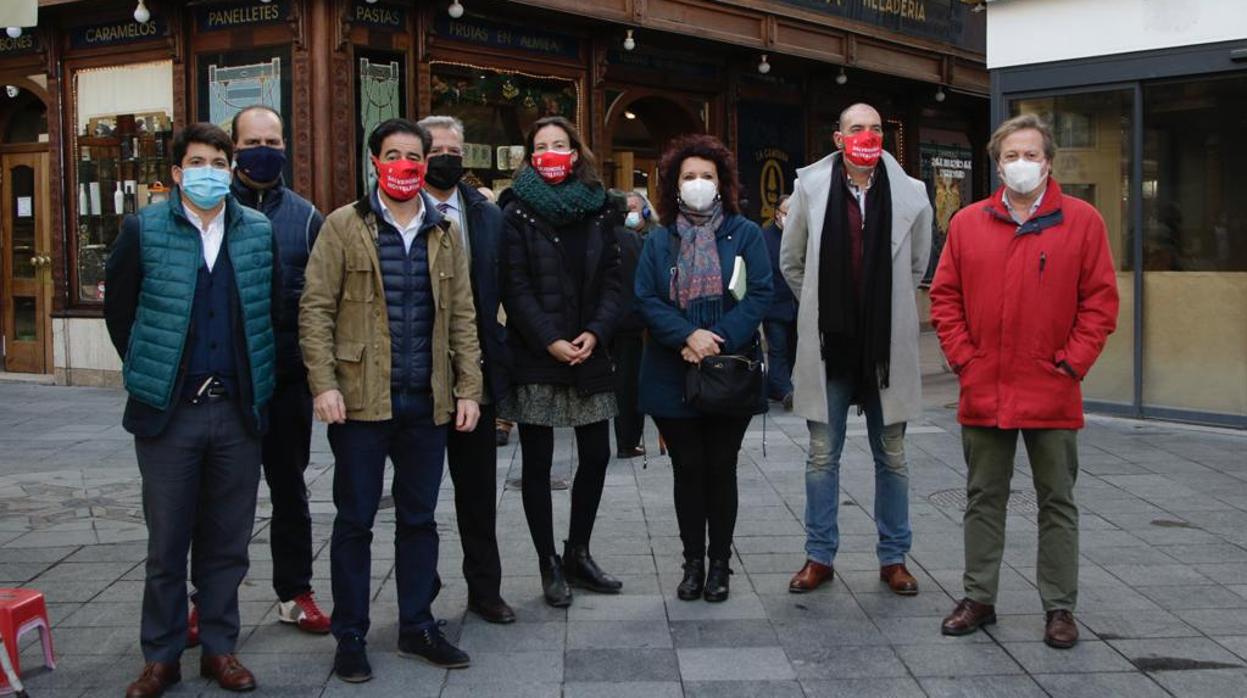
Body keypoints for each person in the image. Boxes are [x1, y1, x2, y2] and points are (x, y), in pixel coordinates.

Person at [300, 118, 483, 681]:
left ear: (426, 165)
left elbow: (462, 317)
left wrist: (468, 387)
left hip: (425, 402)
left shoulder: (444, 231)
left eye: (414, 156)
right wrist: (323, 383)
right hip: (359, 403)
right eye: (393, 155)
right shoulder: (342, 226)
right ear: (375, 163)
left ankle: (415, 626)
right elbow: (315, 310)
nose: (405, 164)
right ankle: (350, 634)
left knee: (420, 519)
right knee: (354, 520)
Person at [930, 114, 1118, 649]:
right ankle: (978, 596)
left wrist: (1070, 363)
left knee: (1056, 501)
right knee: (982, 497)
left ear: (1049, 161)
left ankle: (1060, 607)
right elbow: (944, 297)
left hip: (1051, 388)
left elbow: (1100, 302)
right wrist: (965, 359)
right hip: (984, 387)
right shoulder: (967, 223)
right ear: (997, 164)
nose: (1021, 165)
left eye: (1030, 155)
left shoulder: (1081, 222)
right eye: (1011, 156)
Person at [105, 122, 280, 697]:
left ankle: (220, 649)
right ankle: (160, 656)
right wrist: (147, 370)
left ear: (231, 170)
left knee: (227, 541)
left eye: (218, 161)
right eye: (197, 162)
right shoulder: (144, 228)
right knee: (166, 544)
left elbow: (269, 311)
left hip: (235, 411)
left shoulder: (256, 230)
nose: (209, 171)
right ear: (178, 173)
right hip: (170, 413)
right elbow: (120, 313)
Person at [780, 103, 932, 597]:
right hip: (832, 347)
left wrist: (879, 308)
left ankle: (894, 559)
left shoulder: (914, 195)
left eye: (875, 128)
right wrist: (827, 306)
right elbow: (792, 263)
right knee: (822, 457)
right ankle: (819, 556)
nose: (867, 135)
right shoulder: (810, 189)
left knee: (893, 457)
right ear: (838, 137)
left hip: (885, 349)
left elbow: (915, 267)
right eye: (856, 128)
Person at [635, 134, 773, 602]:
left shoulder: (746, 234)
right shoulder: (659, 240)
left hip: (727, 370)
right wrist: (685, 336)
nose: (698, 184)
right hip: (671, 371)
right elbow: (646, 298)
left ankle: (720, 565)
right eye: (689, 176)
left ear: (722, 184)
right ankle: (692, 562)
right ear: (675, 185)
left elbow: (760, 293)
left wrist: (716, 339)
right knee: (687, 469)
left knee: (721, 467)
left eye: (706, 177)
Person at [498, 115, 624, 608]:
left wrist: (596, 331)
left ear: (575, 152)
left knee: (596, 455)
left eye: (560, 144)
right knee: (538, 462)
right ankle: (547, 562)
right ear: (530, 156)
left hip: (591, 350)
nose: (551, 152)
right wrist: (549, 338)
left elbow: (615, 278)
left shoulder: (600, 207)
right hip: (537, 353)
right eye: (541, 146)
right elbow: (515, 284)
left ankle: (578, 551)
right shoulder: (516, 211)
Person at [223, 104, 329, 635]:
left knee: (290, 490)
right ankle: (211, 601)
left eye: (274, 139)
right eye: (253, 141)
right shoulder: (213, 211)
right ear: (233, 147)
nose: (264, 150)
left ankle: (295, 592)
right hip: (227, 382)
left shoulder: (307, 217)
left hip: (287, 380)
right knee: (222, 496)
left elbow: (321, 301)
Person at [415, 114, 515, 624]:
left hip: (475, 374)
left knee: (478, 494)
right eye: (436, 150)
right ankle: (421, 592)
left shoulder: (485, 214)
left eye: (456, 149)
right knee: (419, 497)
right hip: (416, 378)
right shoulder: (396, 212)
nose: (448, 158)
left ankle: (485, 589)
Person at [611, 189, 646, 459]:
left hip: (600, 322)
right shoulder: (633, 240)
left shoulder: (595, 238)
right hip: (630, 320)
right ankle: (628, 440)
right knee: (628, 383)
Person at [763, 194, 797, 409]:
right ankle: (785, 391)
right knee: (778, 349)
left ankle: (773, 387)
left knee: (792, 349)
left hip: (796, 306)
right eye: (787, 213)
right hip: (774, 306)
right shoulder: (765, 238)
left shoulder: (800, 237)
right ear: (777, 214)